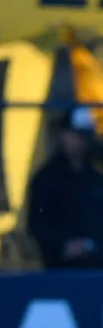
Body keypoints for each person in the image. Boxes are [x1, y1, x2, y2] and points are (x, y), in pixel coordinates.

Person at [27, 105, 103, 269]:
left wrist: (94, 244)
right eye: (74, 134)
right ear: (62, 134)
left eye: (83, 136)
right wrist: (62, 246)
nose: (78, 141)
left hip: (96, 268)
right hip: (61, 268)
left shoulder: (95, 177)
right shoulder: (47, 179)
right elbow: (37, 223)